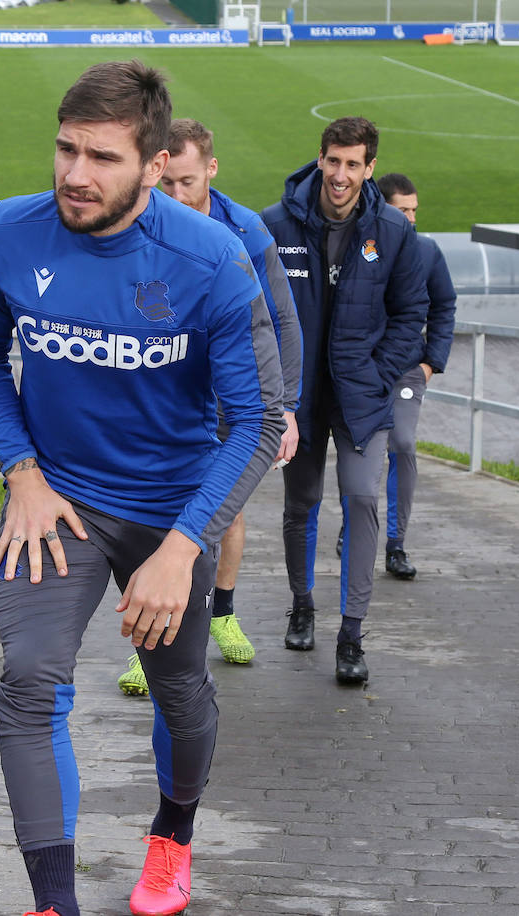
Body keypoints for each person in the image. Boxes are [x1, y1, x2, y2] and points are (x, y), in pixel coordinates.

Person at [0, 61, 284, 916]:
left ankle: (173, 836)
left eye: (101, 157)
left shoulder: (212, 259)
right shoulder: (6, 233)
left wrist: (181, 550)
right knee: (28, 681)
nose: (74, 174)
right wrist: (21, 472)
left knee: (180, 691)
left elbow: (257, 420)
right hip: (54, 504)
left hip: (172, 510)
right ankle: (53, 904)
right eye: (65, 149)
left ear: (152, 161)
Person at [116, 117, 302, 697]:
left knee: (225, 510)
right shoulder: (137, 220)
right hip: (162, 390)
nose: (174, 197)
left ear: (212, 172)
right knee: (157, 509)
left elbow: (283, 320)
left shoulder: (246, 230)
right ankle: (149, 645)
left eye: (187, 184)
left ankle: (221, 613)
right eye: (165, 184)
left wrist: (287, 407)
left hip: (233, 393)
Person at [262, 116, 429, 686]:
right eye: (333, 161)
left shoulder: (393, 230)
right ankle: (303, 603)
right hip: (299, 398)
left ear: (369, 167)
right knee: (301, 503)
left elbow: (412, 315)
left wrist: (380, 375)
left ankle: (352, 634)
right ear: (321, 156)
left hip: (363, 395)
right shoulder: (275, 225)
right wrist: (277, 385)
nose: (340, 174)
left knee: (361, 499)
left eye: (352, 164)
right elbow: (258, 315)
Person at [373, 172, 457, 581]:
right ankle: (354, 526)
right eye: (401, 210)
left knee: (402, 444)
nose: (409, 218)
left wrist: (430, 363)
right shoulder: (362, 248)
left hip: (408, 370)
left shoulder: (427, 252)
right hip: (364, 372)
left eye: (413, 211)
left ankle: (395, 543)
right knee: (361, 453)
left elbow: (445, 306)